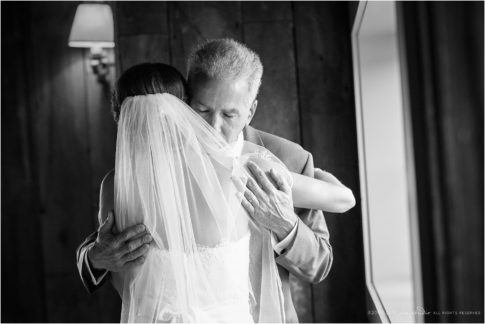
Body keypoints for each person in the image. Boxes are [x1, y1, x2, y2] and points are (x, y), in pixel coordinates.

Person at [76, 39, 355, 322]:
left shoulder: (287, 159)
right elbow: (104, 242)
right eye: (202, 110)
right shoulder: (126, 180)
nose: (212, 127)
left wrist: (286, 224)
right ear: (183, 104)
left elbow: (320, 264)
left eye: (229, 114)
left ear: (251, 111)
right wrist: (96, 259)